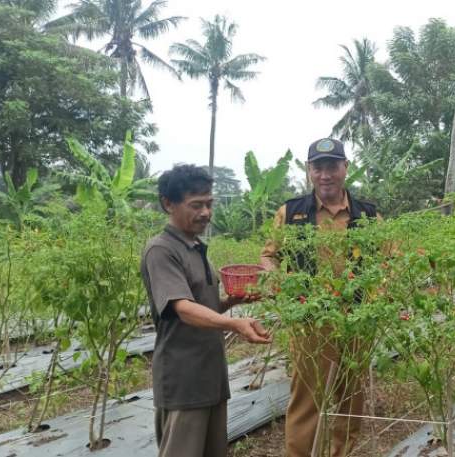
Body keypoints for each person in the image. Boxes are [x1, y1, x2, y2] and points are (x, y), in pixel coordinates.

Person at [141, 164, 271, 457]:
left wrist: (232, 302)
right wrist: (235, 324)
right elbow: (183, 309)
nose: (206, 213)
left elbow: (203, 305)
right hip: (184, 380)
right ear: (168, 204)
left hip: (211, 376)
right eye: (196, 205)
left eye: (209, 204)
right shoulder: (161, 250)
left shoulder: (196, 247)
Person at [261, 138, 379, 457]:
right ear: (309, 171)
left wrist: (377, 300)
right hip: (311, 322)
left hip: (355, 322)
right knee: (307, 397)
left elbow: (388, 260)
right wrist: (282, 284)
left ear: (345, 169)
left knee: (350, 397)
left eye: (332, 166)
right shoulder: (291, 212)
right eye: (318, 167)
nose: (325, 174)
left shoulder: (367, 214)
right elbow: (269, 256)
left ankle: (343, 452)